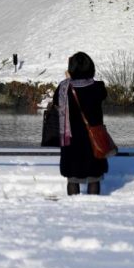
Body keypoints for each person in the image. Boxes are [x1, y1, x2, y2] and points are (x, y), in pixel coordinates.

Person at [54, 51, 108, 196]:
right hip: (93, 138)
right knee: (94, 178)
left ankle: (73, 208)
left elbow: (55, 103)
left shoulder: (63, 88)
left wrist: (69, 79)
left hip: (71, 139)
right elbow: (103, 95)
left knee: (72, 178)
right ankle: (93, 206)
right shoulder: (97, 87)